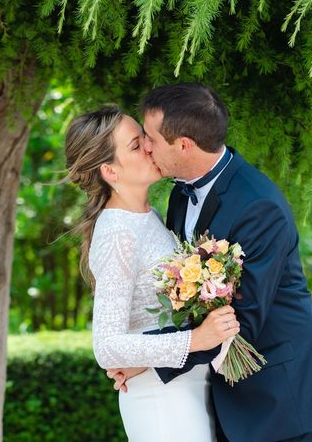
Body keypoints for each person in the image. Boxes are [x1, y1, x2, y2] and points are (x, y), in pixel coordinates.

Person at [108, 84, 312, 442]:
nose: (145, 146)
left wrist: (148, 358)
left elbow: (241, 323)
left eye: (151, 138)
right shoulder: (179, 193)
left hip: (281, 393)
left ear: (184, 145)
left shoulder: (258, 207)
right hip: (224, 391)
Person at [64, 105, 241, 442]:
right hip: (161, 402)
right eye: (135, 145)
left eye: (144, 138)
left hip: (182, 385)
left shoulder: (149, 215)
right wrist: (196, 339)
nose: (149, 146)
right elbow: (107, 346)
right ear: (110, 172)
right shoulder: (118, 231)